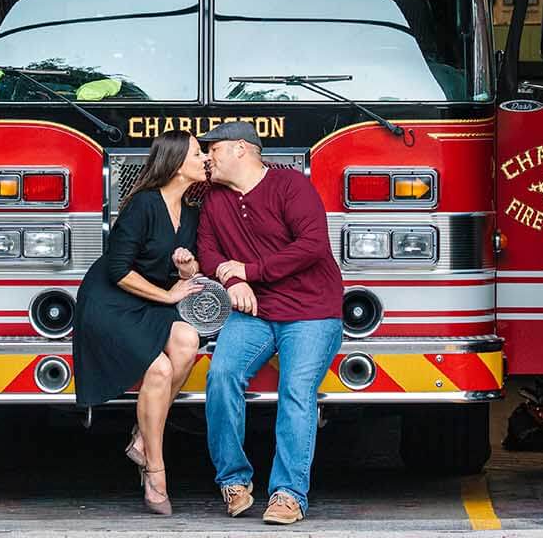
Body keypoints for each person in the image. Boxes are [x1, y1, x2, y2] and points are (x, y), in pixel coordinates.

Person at [196, 121, 344, 526]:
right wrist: (232, 279)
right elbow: (207, 252)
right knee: (221, 375)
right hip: (256, 313)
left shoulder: (290, 185)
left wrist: (250, 270)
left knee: (295, 389)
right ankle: (233, 481)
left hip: (312, 310)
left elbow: (313, 245)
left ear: (241, 149)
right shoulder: (214, 199)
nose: (207, 157)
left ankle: (288, 494)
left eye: (213, 149)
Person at [72, 131, 208, 515]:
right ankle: (155, 471)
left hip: (149, 302)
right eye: (198, 153)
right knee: (160, 369)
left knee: (188, 340)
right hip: (110, 303)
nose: (205, 159)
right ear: (177, 164)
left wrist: (187, 268)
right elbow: (118, 270)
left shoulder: (191, 212)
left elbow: (187, 271)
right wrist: (169, 296)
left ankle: (142, 436)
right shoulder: (143, 204)